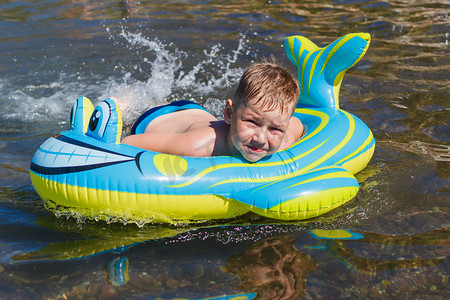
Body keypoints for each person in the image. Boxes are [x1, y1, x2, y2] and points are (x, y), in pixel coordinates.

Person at [121, 62, 303, 162]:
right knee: (130, 114)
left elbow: (299, 123)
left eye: (275, 129)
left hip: (197, 115)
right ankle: (124, 101)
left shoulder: (283, 139)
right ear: (229, 114)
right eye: (253, 122)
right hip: (155, 119)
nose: (261, 138)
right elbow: (128, 142)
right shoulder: (195, 147)